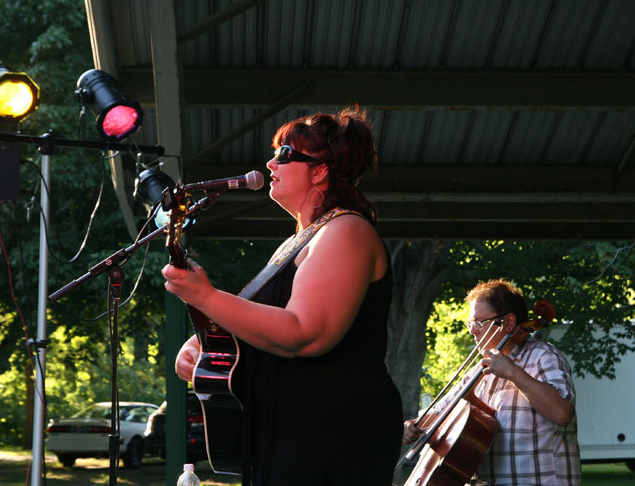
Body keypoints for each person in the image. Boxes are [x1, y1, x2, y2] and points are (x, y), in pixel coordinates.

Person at [164, 107, 403, 485]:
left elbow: (304, 333)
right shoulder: (299, 241)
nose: (270, 163)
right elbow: (264, 326)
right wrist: (209, 341)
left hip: (332, 435)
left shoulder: (346, 231)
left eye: (285, 154)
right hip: (291, 433)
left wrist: (207, 298)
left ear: (321, 171)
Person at [403, 279, 581, 485]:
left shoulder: (544, 356)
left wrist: (511, 372)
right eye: (470, 323)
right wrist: (414, 425)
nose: (472, 331)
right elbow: (440, 414)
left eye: (479, 323)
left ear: (508, 322)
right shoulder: (477, 372)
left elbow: (562, 413)